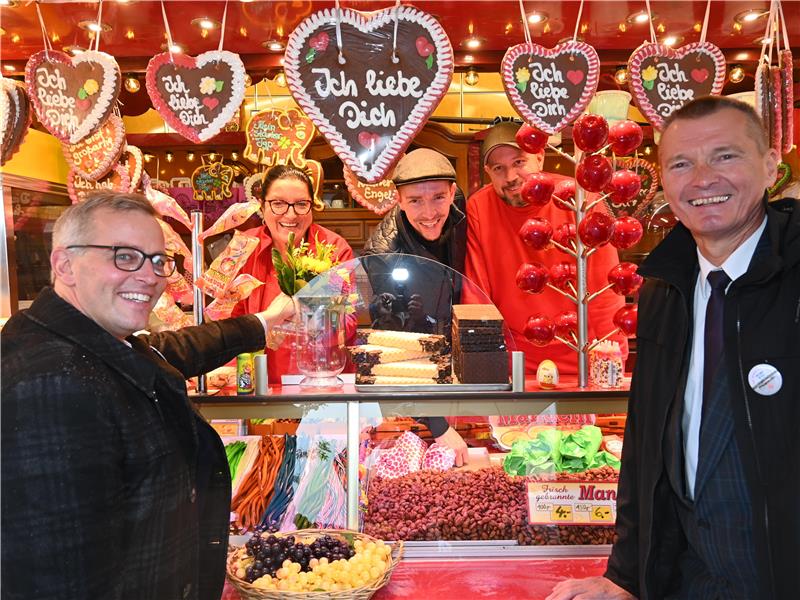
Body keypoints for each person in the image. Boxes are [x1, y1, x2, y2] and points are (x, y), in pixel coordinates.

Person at [548, 97, 799, 599]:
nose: (703, 179)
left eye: (725, 155)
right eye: (682, 164)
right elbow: (646, 445)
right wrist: (625, 577)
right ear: (663, 181)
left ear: (771, 164)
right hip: (690, 577)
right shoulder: (665, 287)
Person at [1, 192, 296, 600]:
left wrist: (262, 323)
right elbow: (57, 576)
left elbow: (166, 350)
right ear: (64, 264)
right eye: (124, 256)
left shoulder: (89, 338)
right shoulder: (50, 382)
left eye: (158, 260)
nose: (149, 275)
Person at [464, 121, 627, 377]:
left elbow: (605, 288)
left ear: (539, 157)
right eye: (499, 168)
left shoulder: (579, 198)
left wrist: (611, 356)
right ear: (487, 171)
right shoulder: (479, 208)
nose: (510, 177)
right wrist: (481, 363)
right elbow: (477, 291)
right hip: (513, 359)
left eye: (519, 162)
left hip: (579, 356)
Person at [362, 148, 469, 465]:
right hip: (417, 380)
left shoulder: (457, 204)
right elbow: (397, 350)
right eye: (414, 201)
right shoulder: (383, 255)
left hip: (459, 367)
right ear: (398, 200)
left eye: (438, 197)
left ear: (452, 192)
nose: (429, 212)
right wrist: (438, 426)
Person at [232, 164, 354, 382]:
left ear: (312, 206)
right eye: (278, 204)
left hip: (321, 378)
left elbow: (348, 319)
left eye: (301, 204)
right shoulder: (243, 247)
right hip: (260, 383)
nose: (290, 214)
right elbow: (229, 316)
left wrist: (312, 318)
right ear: (262, 206)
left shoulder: (334, 248)